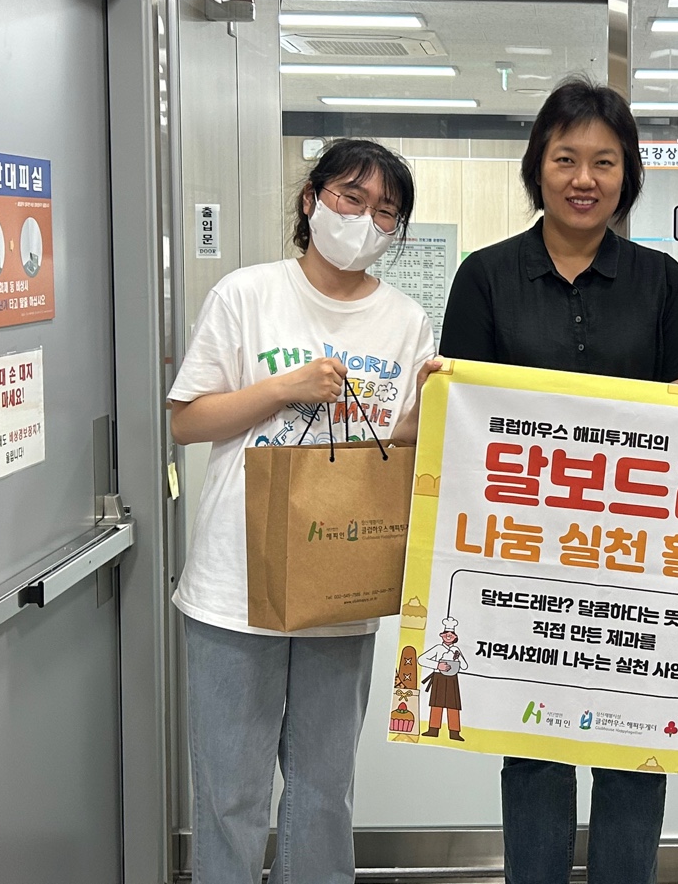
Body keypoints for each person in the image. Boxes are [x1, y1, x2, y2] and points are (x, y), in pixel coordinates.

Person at [440, 78, 678, 884]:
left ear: (628, 174)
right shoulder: (484, 276)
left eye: (604, 161)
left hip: (636, 557)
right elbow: (463, 418)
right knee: (532, 749)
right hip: (522, 558)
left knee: (635, 749)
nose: (584, 178)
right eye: (565, 158)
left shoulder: (662, 280)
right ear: (538, 167)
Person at [168, 138, 441, 884]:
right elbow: (188, 420)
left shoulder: (405, 319)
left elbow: (398, 439)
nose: (366, 220)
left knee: (324, 795)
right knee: (230, 796)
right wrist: (283, 388)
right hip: (234, 586)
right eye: (352, 197)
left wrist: (433, 407)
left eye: (386, 211)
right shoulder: (247, 294)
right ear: (311, 199)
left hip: (341, 586)